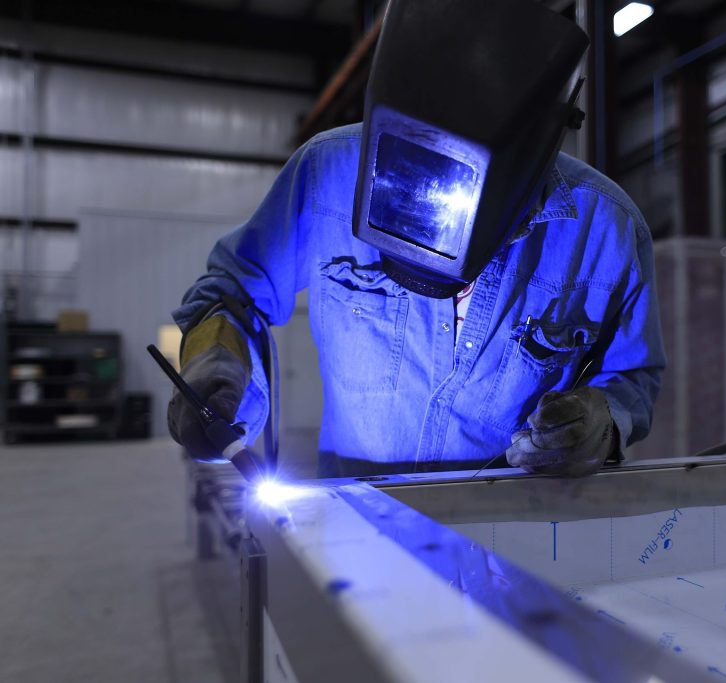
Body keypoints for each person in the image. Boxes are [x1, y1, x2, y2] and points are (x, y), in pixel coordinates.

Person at [167, 0, 665, 479]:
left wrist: (602, 420)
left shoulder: (605, 229)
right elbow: (233, 293)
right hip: (361, 528)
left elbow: (633, 376)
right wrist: (219, 366)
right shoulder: (328, 175)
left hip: (510, 533)